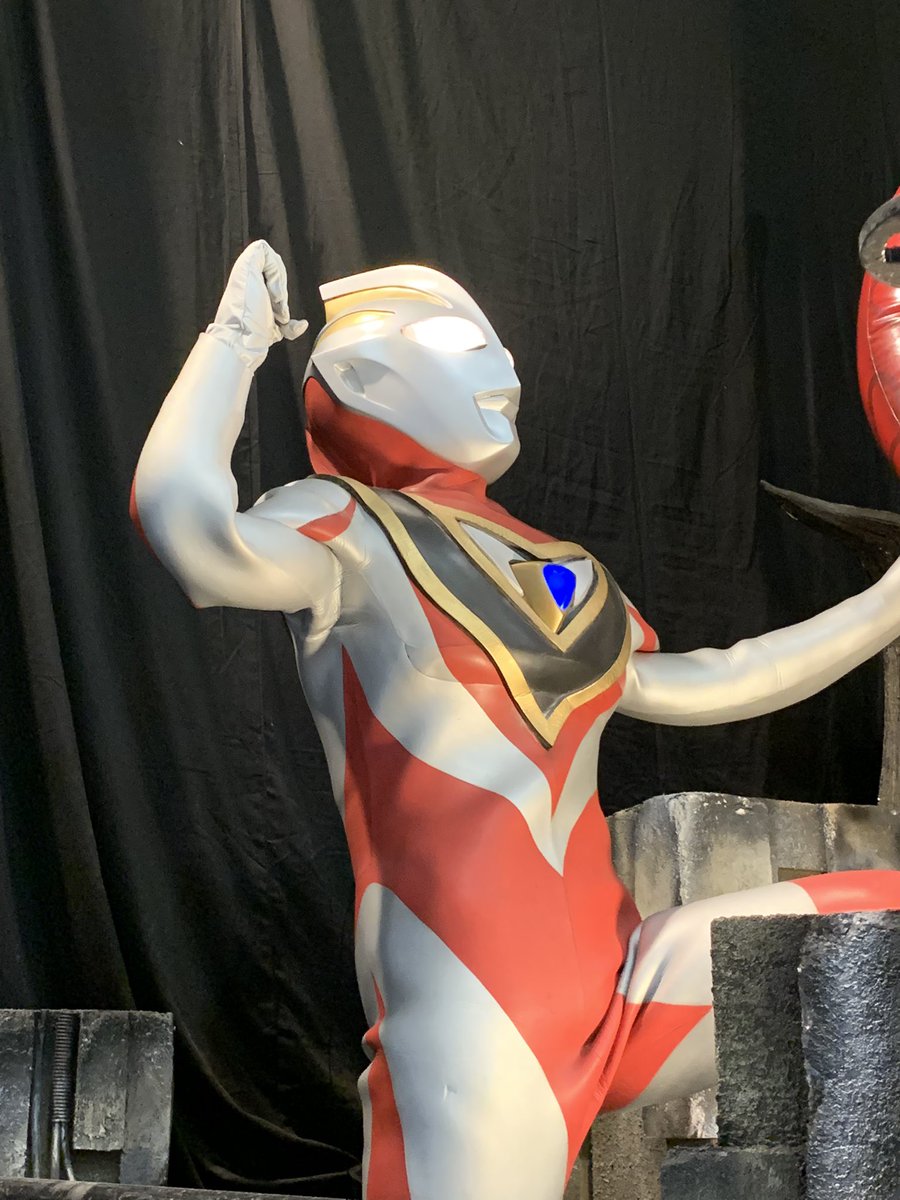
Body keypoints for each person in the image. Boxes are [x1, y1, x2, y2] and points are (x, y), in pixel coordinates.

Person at [132, 242, 900, 1200]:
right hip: (472, 1025)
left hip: (625, 984)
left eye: (497, 345)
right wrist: (234, 339)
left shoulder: (564, 570)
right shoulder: (346, 528)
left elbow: (715, 680)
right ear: (361, 373)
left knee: (879, 930)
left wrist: (888, 602)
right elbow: (192, 533)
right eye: (462, 342)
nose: (502, 366)